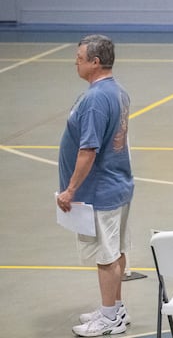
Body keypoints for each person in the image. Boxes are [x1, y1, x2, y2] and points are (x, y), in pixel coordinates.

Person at [56, 34, 134, 337]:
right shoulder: (117, 91)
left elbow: (89, 150)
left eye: (79, 58)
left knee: (106, 256)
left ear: (95, 62)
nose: (75, 62)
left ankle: (109, 318)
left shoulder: (95, 100)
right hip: (117, 185)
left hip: (101, 191)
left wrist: (71, 190)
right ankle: (114, 308)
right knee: (117, 251)